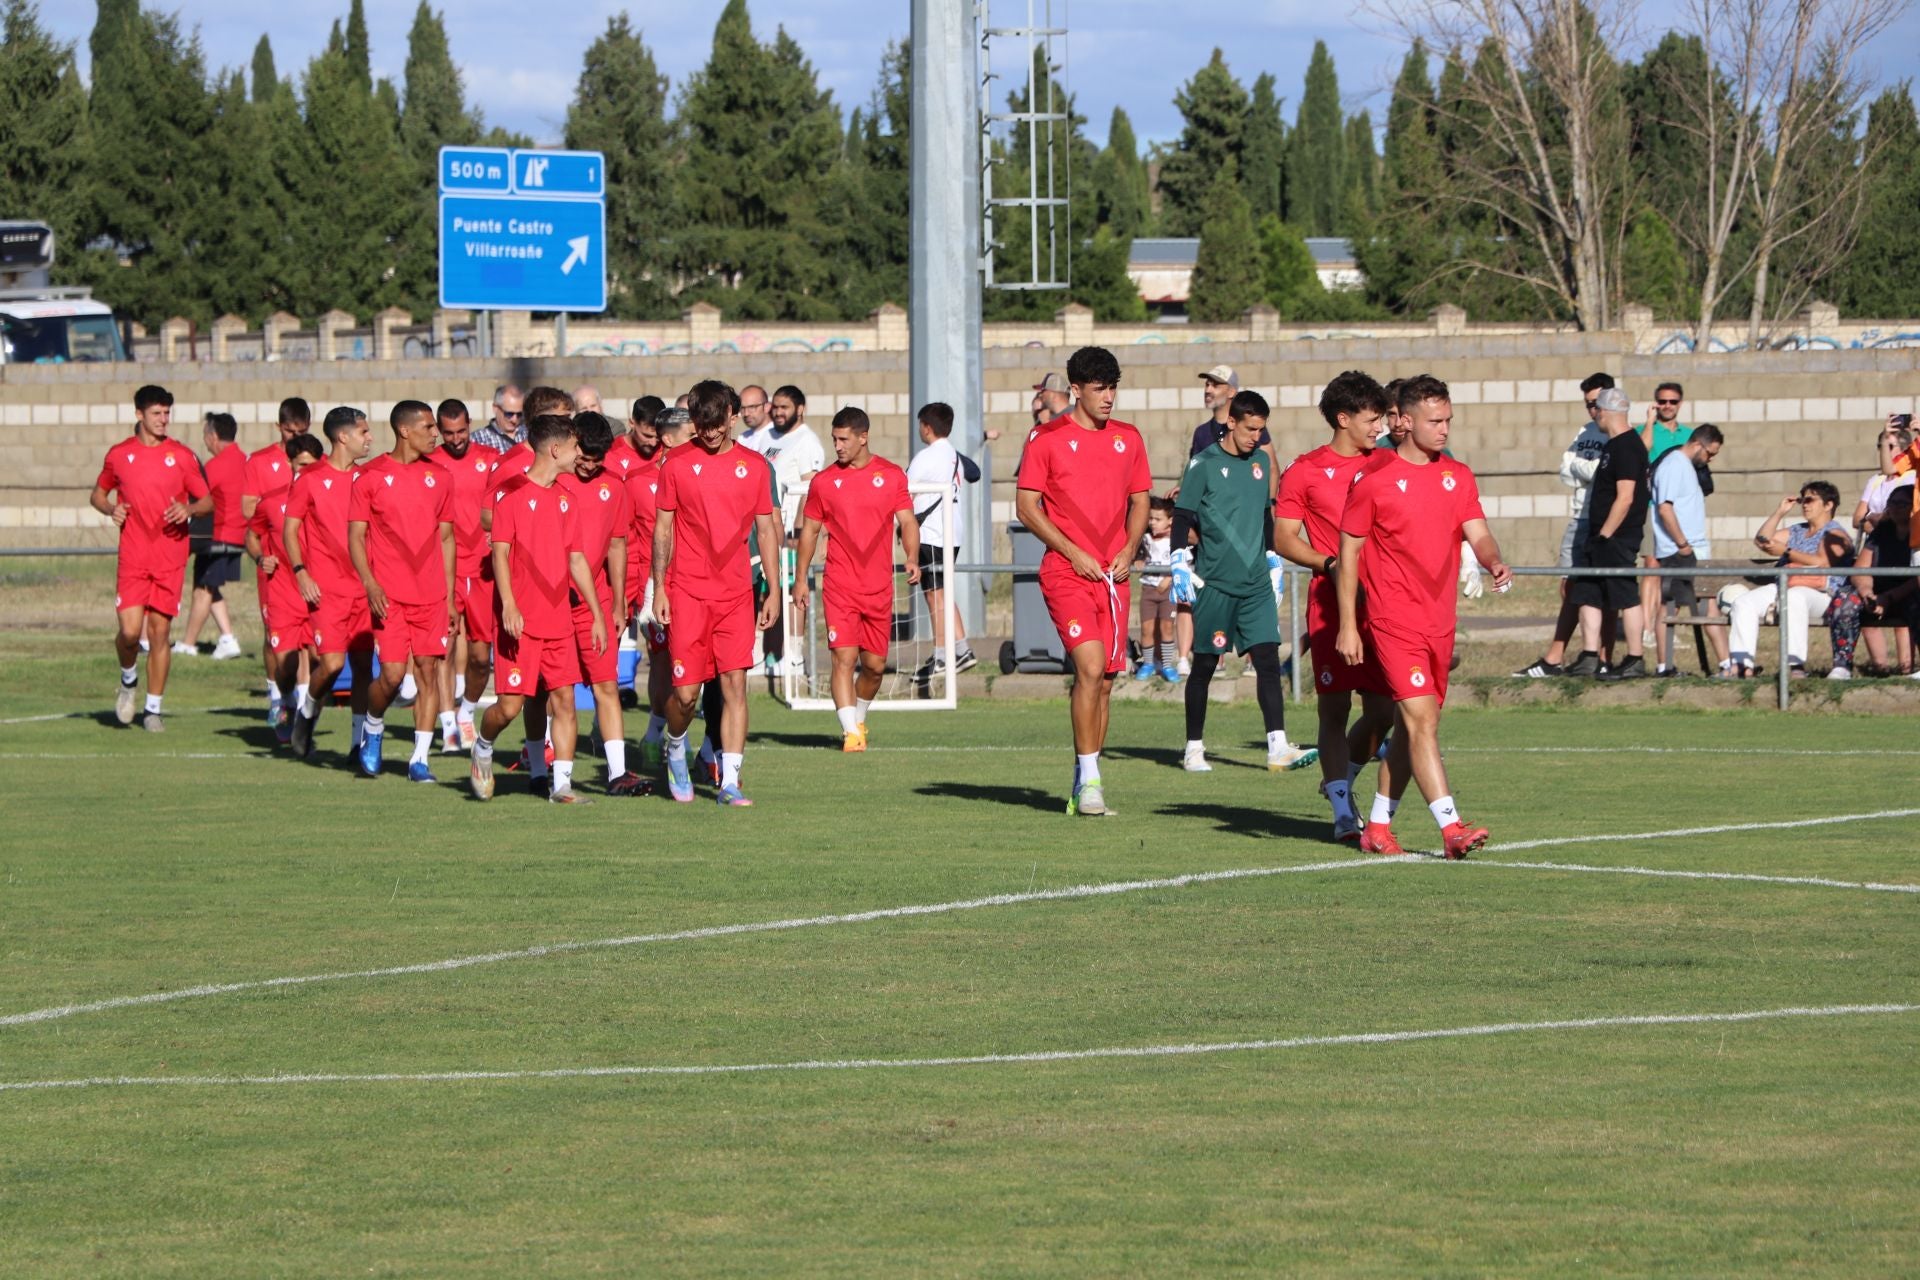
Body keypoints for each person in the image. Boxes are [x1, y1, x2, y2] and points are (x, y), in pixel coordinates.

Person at [1336, 374, 1512, 858]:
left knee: (1415, 727)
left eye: (1449, 420)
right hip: (1394, 621)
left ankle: (1376, 826)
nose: (1444, 429)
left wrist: (1492, 558)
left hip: (1441, 622)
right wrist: (1350, 624)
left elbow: (1478, 531)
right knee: (1421, 722)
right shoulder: (1375, 483)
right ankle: (1451, 829)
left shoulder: (1458, 476)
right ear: (1406, 421)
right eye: (1435, 421)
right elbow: (1348, 556)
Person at [1015, 345, 1152, 817]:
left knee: (1108, 681)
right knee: (1090, 668)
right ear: (1076, 390)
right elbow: (1026, 507)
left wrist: (1129, 550)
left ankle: (1083, 776)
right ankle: (1092, 781)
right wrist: (1072, 552)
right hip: (1066, 573)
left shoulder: (1129, 438)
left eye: (1114, 387)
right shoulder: (1045, 438)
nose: (1109, 397)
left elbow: (1140, 502)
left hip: (1114, 578)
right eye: (1100, 389)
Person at [1274, 370, 1398, 843]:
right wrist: (1328, 563)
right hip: (1330, 604)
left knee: (1385, 710)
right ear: (1343, 419)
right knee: (1333, 707)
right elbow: (1283, 538)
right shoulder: (1304, 470)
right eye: (1372, 419)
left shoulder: (1387, 464)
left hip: (1384, 602)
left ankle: (1337, 779)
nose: (1379, 427)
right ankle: (1344, 812)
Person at [653, 380, 782, 806]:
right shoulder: (674, 464)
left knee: (735, 687)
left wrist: (774, 591)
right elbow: (664, 528)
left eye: (715, 424)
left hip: (736, 595)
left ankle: (730, 780)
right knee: (686, 695)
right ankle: (675, 743)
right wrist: (660, 588)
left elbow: (766, 529)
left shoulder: (756, 467)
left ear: (730, 414)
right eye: (700, 425)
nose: (708, 434)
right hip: (687, 592)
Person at [1173, 389, 1314, 775]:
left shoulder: (1260, 467)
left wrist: (1271, 555)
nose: (1257, 437)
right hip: (1216, 583)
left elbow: (1265, 515)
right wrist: (1177, 560)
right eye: (1250, 428)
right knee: (1205, 664)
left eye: (1262, 430)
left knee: (1268, 659)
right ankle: (1194, 747)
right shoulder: (1202, 464)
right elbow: (1183, 516)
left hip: (1254, 583)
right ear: (1231, 422)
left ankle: (1277, 746)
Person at [470, 413, 606, 805]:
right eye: (575, 446)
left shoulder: (567, 498)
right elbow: (500, 553)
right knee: (510, 706)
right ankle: (483, 745)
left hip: (559, 620)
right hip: (520, 623)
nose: (580, 453)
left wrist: (596, 614)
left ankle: (561, 785)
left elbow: (577, 560)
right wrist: (509, 604)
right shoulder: (510, 494)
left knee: (563, 700)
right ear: (555, 448)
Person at [792, 406, 920, 751]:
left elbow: (907, 521)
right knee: (843, 660)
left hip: (879, 587)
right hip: (839, 585)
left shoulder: (891, 475)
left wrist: (910, 556)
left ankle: (858, 718)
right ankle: (850, 733)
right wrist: (801, 578)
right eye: (834, 439)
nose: (838, 446)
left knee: (875, 667)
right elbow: (811, 532)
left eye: (844, 439)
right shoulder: (824, 482)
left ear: (863, 437)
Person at [89, 384, 212, 731]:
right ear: (139, 415)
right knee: (129, 633)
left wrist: (187, 509)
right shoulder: (119, 455)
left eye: (167, 413)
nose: (163, 419)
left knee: (159, 632)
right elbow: (97, 494)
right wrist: (112, 509)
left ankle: (153, 709)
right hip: (133, 556)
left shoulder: (183, 456)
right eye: (156, 413)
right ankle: (128, 679)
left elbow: (207, 501)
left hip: (170, 556)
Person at [347, 401, 455, 782]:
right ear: (405, 430)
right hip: (388, 596)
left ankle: (420, 759)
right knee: (392, 676)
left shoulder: (441, 476)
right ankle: (373, 726)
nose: (435, 433)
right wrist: (370, 582)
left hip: (432, 597)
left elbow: (446, 539)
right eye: (428, 427)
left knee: (427, 672)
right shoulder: (371, 476)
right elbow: (356, 537)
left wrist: (451, 595)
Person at [554, 411, 649, 795]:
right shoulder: (552, 480)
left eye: (597, 460)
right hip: (554, 602)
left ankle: (617, 774)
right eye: (584, 457)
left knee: (606, 684)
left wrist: (619, 602)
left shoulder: (614, 486)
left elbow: (617, 543)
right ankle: (554, 773)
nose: (589, 466)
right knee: (558, 690)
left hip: (598, 602)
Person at [285, 407, 377, 758]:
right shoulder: (310, 478)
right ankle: (307, 711)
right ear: (343, 437)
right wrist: (300, 571)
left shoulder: (368, 477)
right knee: (333, 663)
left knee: (362, 669)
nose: (369, 438)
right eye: (363, 432)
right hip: (327, 590)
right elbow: (290, 529)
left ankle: (357, 744)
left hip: (364, 589)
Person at [1514, 372, 1614, 676]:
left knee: (1600, 589)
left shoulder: (1617, 435)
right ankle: (1561, 658)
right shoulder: (1585, 431)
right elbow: (1564, 471)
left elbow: (1597, 473)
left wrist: (1579, 467)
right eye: (1588, 405)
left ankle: (1597, 658)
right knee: (1569, 586)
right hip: (1578, 515)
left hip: (1598, 519)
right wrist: (1582, 468)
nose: (1593, 410)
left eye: (1597, 403)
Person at [1565, 387, 1651, 680]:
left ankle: (1635, 657)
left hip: (1616, 537)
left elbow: (1625, 497)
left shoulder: (1627, 446)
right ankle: (1589, 655)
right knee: (1588, 592)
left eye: (1595, 410)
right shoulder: (1614, 445)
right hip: (1599, 536)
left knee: (1624, 594)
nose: (1595, 416)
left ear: (1604, 411)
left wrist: (1605, 534)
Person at [1726, 482, 1852, 679]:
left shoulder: (1836, 534)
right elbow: (1762, 540)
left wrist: (1786, 552)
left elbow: (1823, 562)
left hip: (1822, 595)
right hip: (1786, 585)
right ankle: (1741, 666)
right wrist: (1780, 512)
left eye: (1810, 500)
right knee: (1744, 602)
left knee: (1794, 597)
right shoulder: (1797, 530)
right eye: (1802, 500)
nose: (1804, 505)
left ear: (1828, 505)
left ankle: (1795, 666)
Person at [246, 433, 325, 744]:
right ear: (290, 464)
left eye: (311, 465)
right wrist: (260, 557)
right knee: (285, 664)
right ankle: (285, 701)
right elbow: (251, 536)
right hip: (282, 590)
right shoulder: (271, 501)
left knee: (321, 658)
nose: (305, 471)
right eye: (300, 465)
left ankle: (303, 716)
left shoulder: (327, 498)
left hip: (318, 591)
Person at [432, 398, 501, 750]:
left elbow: (503, 503)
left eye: (461, 431)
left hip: (483, 569)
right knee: (443, 645)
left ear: (470, 425)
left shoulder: (489, 461)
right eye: (448, 433)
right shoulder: (430, 463)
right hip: (444, 569)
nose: (456, 439)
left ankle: (466, 710)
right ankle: (448, 729)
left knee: (479, 655)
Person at [905, 401, 980, 676]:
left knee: (933, 595)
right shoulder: (954, 457)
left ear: (926, 428)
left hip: (932, 533)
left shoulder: (925, 457)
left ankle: (941, 655)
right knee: (942, 592)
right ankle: (961, 649)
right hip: (952, 532)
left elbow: (904, 495)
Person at [1646, 424, 1726, 676]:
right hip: (1678, 551)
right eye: (1710, 453)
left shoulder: (1687, 467)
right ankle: (1664, 665)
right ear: (1698, 444)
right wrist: (1682, 545)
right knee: (1670, 608)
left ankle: (1727, 664)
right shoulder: (1673, 465)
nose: (1710, 459)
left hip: (1694, 549)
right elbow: (1664, 509)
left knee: (1708, 605)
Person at [175, 411, 248, 660]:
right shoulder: (244, 461)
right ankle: (228, 638)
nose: (205, 441)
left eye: (205, 435)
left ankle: (188, 644)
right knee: (209, 587)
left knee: (203, 589)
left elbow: (196, 496)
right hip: (239, 535)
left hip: (219, 536)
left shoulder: (215, 466)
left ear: (213, 436)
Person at [1829, 484, 1913, 679]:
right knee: (1844, 599)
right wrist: (1867, 593)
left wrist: (1888, 598)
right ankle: (1842, 666)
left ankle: (1912, 669)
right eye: (1892, 502)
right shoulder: (1881, 532)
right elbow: (1860, 569)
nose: (1895, 507)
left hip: (1908, 591)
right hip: (1877, 591)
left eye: (1902, 503)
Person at [1189, 364, 1279, 491]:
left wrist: (1271, 504)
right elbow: (1195, 472)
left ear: (1231, 391)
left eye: (1215, 385)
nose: (1208, 390)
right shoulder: (1201, 432)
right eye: (1207, 385)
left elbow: (1272, 468)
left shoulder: (1251, 427)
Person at [1134, 497, 1176, 681]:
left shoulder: (1175, 540)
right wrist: (1138, 559)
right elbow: (1137, 555)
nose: (1152, 523)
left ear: (1170, 521)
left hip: (1167, 592)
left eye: (1157, 519)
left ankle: (1167, 665)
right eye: (1150, 519)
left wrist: (1168, 580)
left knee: (1167, 628)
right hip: (1149, 590)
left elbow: (1182, 562)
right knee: (1146, 629)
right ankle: (1148, 663)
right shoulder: (1145, 539)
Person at [472, 383, 525, 454]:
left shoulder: (529, 435)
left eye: (519, 414)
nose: (514, 420)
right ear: (495, 408)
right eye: (509, 414)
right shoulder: (478, 439)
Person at [736, 384, 774, 454]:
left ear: (767, 407)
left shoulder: (778, 436)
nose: (746, 413)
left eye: (752, 407)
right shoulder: (743, 438)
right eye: (742, 408)